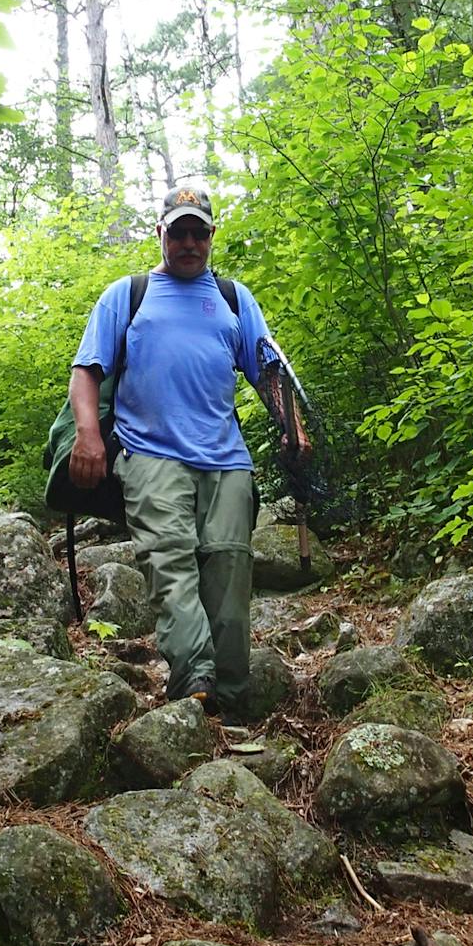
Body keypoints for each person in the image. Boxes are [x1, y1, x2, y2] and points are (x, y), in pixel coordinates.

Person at [66, 182, 306, 716]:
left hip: (227, 462)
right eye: (180, 233)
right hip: (149, 455)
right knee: (170, 563)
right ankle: (194, 685)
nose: (190, 243)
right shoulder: (126, 295)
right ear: (161, 235)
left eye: (200, 233)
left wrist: (294, 429)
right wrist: (87, 437)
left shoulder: (232, 299)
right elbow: (86, 372)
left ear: (212, 236)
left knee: (229, 572)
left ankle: (235, 701)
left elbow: (268, 371)